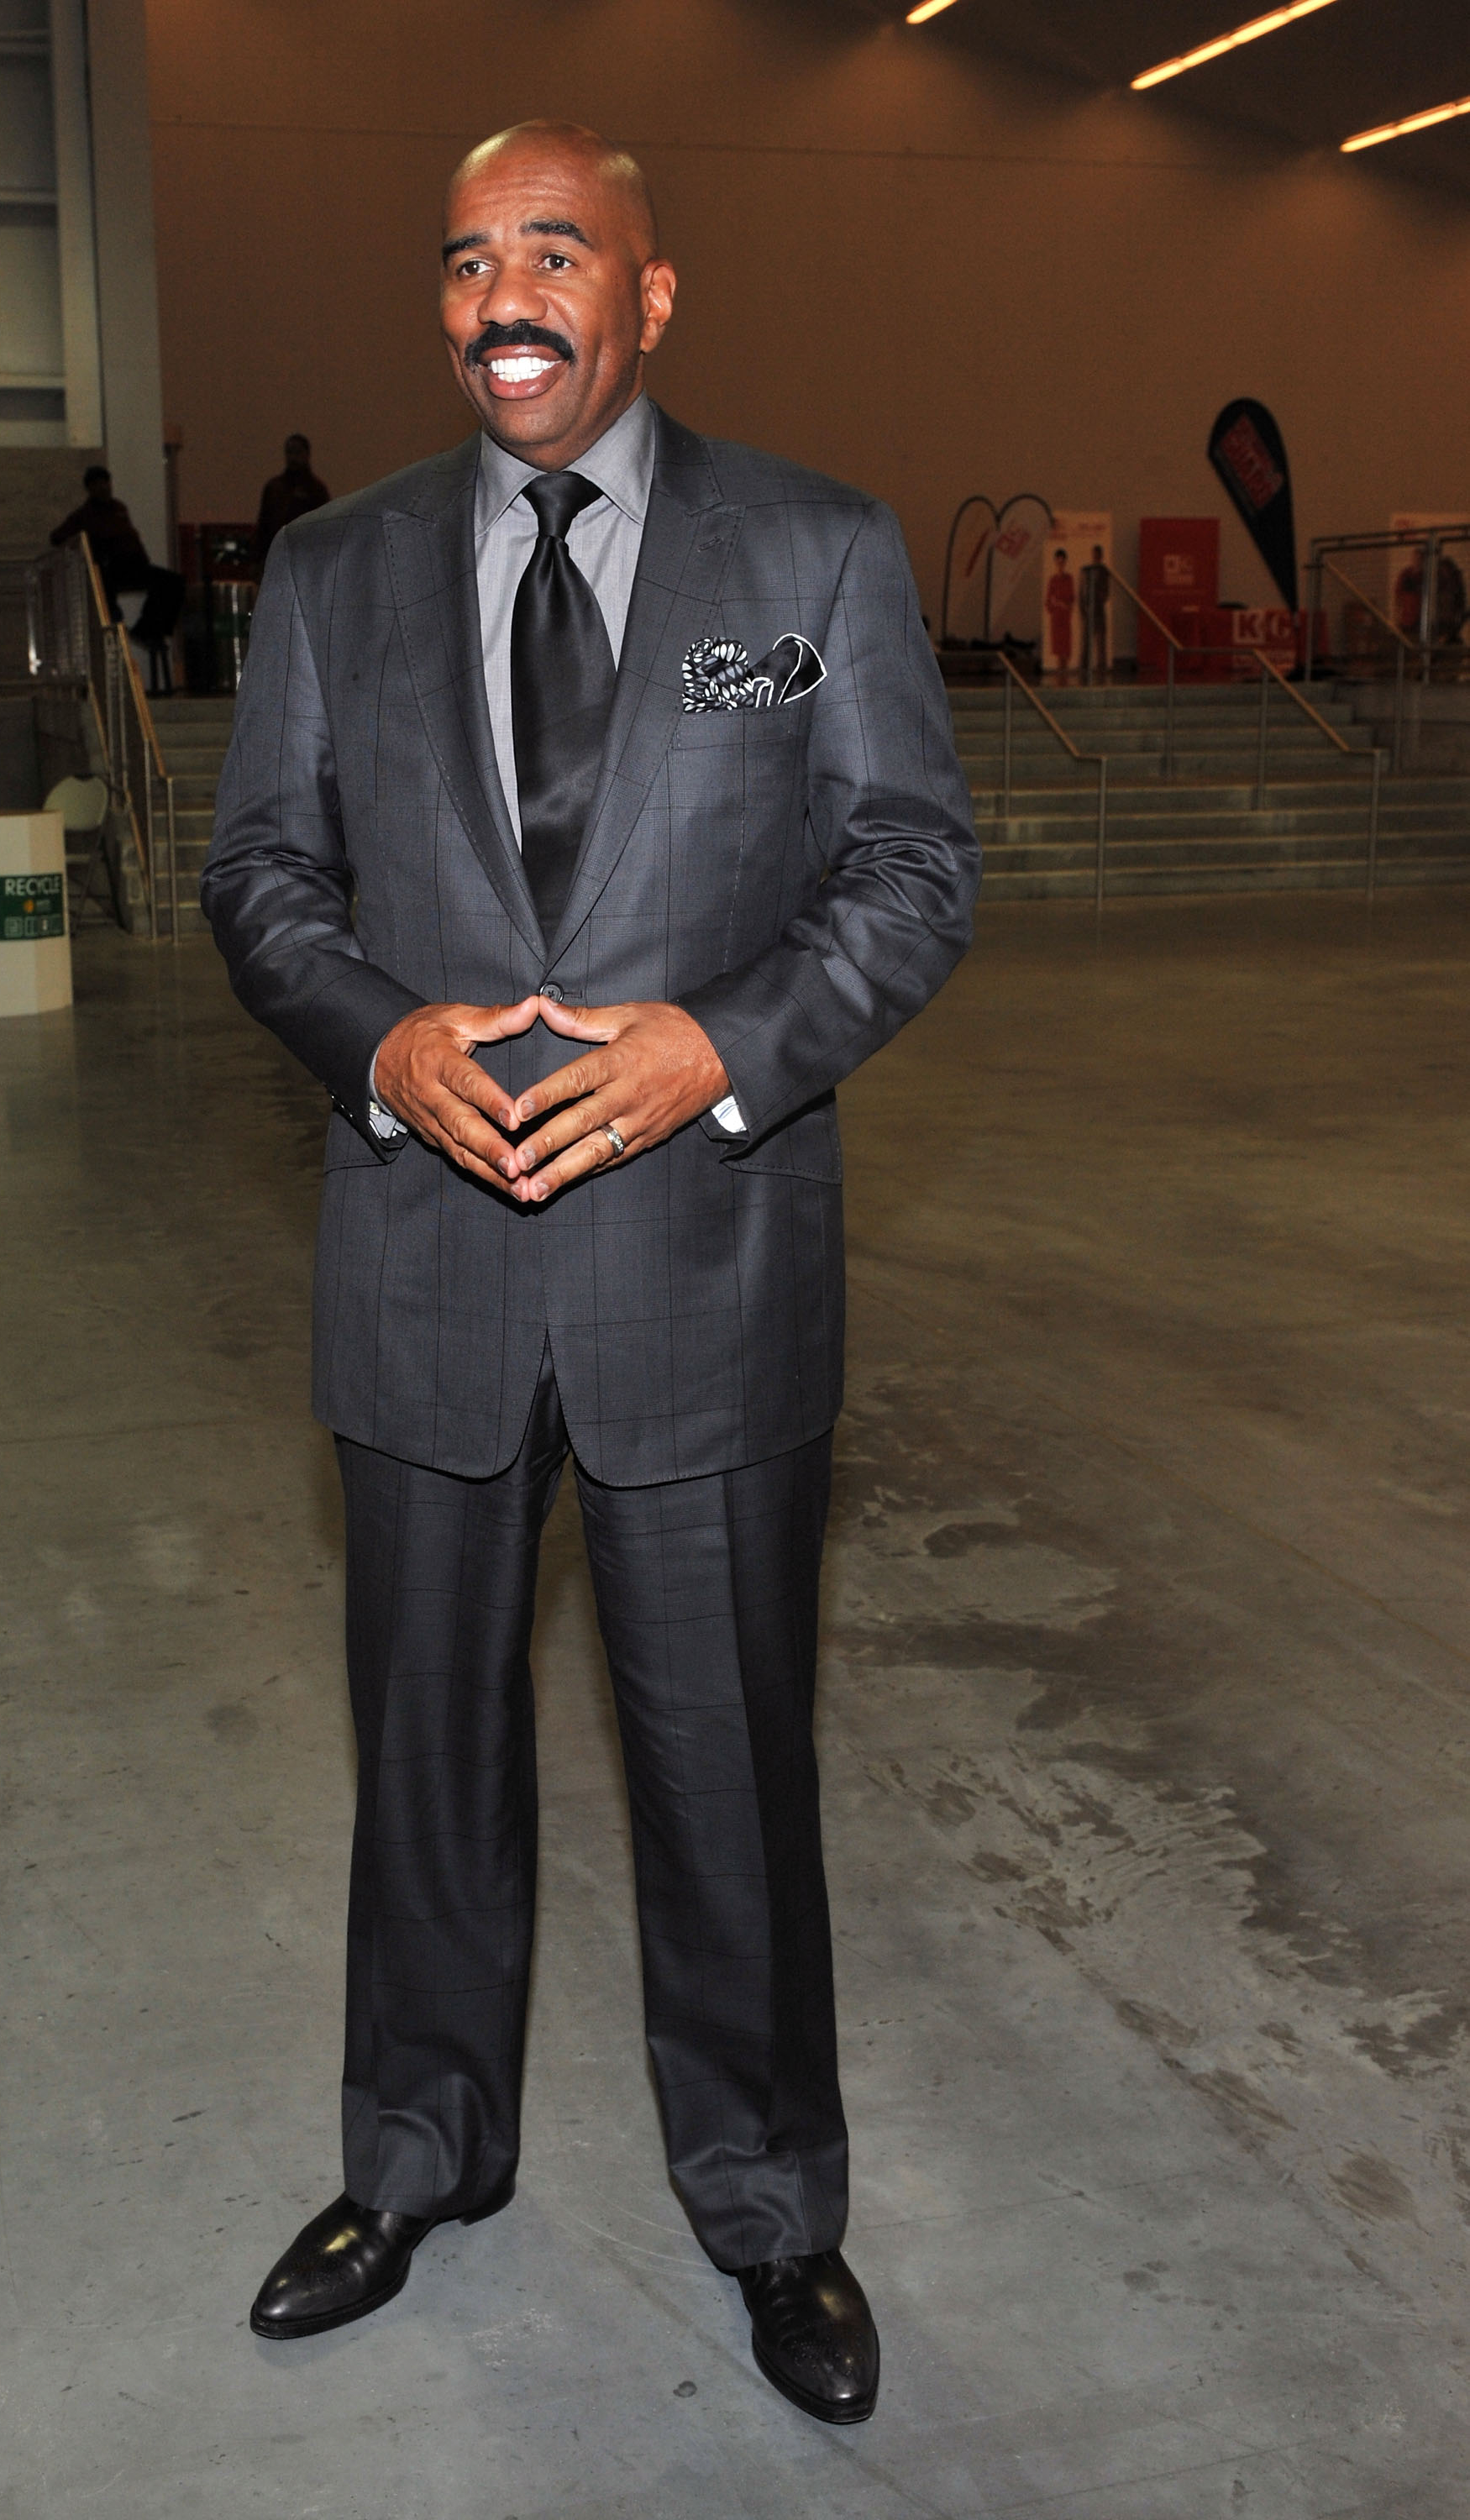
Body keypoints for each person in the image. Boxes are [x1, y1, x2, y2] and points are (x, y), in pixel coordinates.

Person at [201, 120, 979, 2428]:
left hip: (707, 1275)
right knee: (423, 1757)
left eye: (551, 249)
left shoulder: (813, 551)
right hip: (421, 1270)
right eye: (461, 257)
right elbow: (256, 874)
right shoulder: (330, 574)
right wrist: (377, 1037)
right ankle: (416, 2162)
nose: (497, 289)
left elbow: (916, 868)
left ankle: (767, 2211)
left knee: (724, 1769)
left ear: (652, 296)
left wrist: (719, 1054)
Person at [50, 465, 184, 663]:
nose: (104, 487)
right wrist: (90, 550)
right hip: (111, 570)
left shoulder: (119, 509)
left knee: (173, 582)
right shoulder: (84, 516)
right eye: (98, 484)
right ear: (90, 488)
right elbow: (57, 537)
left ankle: (149, 629)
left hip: (135, 566)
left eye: (106, 482)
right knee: (105, 587)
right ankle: (118, 622)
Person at [250, 433, 331, 570]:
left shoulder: (317, 490)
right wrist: (257, 558)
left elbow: (324, 529)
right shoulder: (274, 488)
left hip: (307, 558)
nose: (293, 457)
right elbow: (264, 524)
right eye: (289, 452)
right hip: (278, 556)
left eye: (298, 452)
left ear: (307, 454)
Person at [1079, 543, 1110, 683]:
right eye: (1094, 554)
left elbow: (1106, 593)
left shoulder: (1104, 571)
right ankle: (1084, 667)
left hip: (1099, 609)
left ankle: (1101, 667)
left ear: (1101, 556)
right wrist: (1082, 609)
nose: (1095, 557)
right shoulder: (1086, 571)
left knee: (1100, 640)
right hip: (1088, 609)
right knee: (1086, 640)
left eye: (1098, 555)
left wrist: (1098, 594)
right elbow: (1081, 592)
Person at [1046, 546, 1076, 680]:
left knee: (1066, 648)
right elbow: (1048, 601)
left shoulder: (1069, 579)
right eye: (1058, 561)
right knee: (1058, 649)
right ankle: (1060, 674)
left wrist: (1065, 605)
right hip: (1056, 617)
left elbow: (1071, 598)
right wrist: (1055, 605)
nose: (1060, 564)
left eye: (1062, 561)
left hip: (1065, 617)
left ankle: (1065, 673)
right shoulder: (1053, 580)